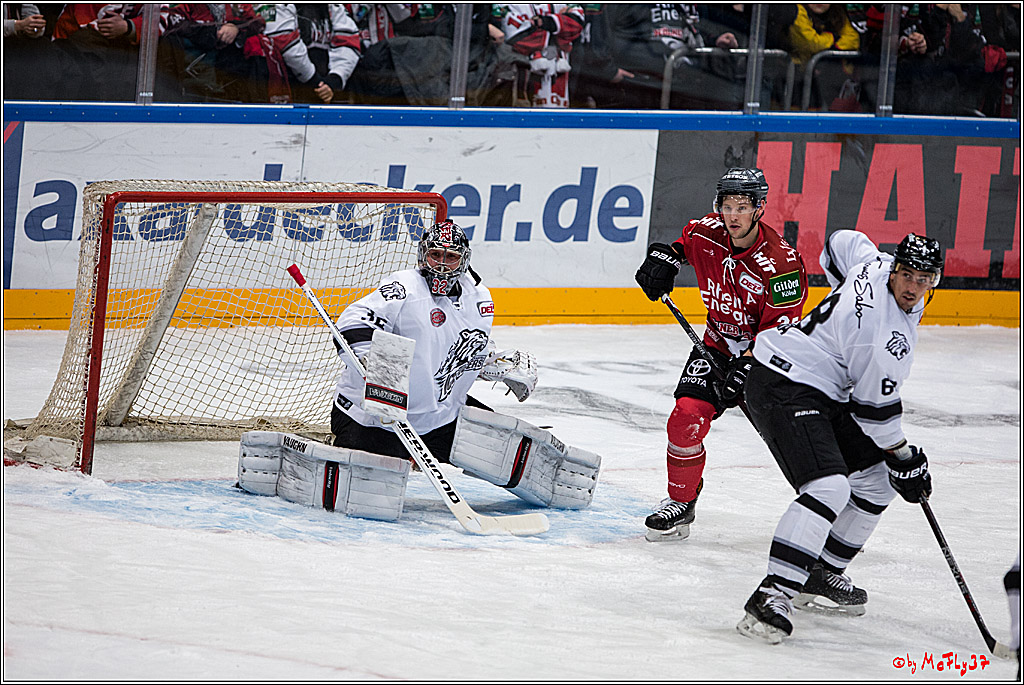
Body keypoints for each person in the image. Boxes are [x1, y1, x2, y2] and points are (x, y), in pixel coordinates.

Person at [237, 220, 601, 519]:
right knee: (367, 496)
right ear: (422, 255)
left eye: (451, 257)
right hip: (375, 417)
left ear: (464, 260)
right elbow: (354, 320)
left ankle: (555, 482)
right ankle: (292, 458)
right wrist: (370, 359)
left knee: (508, 446)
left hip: (437, 415)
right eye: (435, 254)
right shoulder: (403, 287)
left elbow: (461, 346)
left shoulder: (480, 298)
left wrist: (494, 363)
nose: (442, 264)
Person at [735, 230, 943, 644]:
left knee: (877, 480)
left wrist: (844, 298)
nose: (912, 286)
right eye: (907, 274)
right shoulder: (883, 338)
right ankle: (773, 593)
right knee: (828, 487)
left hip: (822, 388)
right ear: (895, 270)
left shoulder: (871, 262)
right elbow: (874, 414)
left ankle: (821, 571)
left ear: (934, 280)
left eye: (923, 278)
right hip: (784, 383)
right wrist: (905, 458)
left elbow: (839, 243)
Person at [634, 168, 808, 542]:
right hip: (717, 346)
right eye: (727, 206)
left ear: (760, 208)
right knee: (685, 417)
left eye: (742, 207)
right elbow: (682, 246)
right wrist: (665, 259)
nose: (732, 215)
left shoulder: (782, 265)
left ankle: (827, 509)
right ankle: (681, 501)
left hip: (766, 360)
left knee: (795, 442)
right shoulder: (707, 232)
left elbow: (782, 331)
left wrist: (750, 364)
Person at [263, 4, 361, 104]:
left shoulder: (334, 6)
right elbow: (284, 42)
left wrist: (335, 79)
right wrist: (315, 81)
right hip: (287, 86)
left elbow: (349, 42)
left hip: (326, 90)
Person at [496, 4, 585, 108]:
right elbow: (516, 37)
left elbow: (577, 24)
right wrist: (558, 25)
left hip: (561, 74)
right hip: (525, 72)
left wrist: (540, 23)